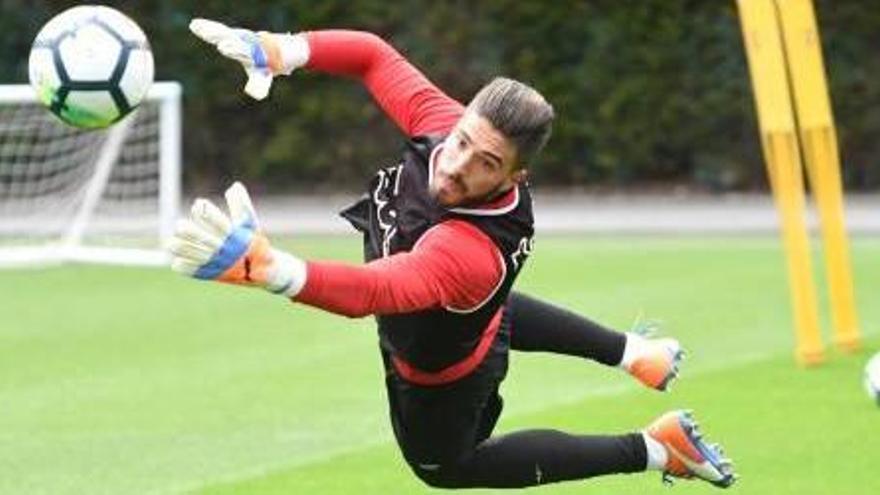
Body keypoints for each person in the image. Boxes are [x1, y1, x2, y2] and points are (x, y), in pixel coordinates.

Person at [170, 18, 736, 490]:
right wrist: (284, 50)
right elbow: (371, 55)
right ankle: (637, 353)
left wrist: (271, 270)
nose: (457, 163)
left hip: (443, 378)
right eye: (463, 139)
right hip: (465, 316)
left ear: (516, 175)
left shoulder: (469, 250)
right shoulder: (446, 130)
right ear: (460, 118)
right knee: (489, 311)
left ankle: (656, 450)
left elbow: (373, 292)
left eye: (485, 162)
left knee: (448, 468)